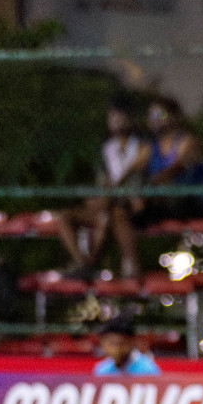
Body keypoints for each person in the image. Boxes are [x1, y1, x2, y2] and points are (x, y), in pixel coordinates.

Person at [56, 101, 149, 280]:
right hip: (110, 203)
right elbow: (104, 181)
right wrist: (100, 196)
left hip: (133, 204)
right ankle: (82, 262)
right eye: (112, 116)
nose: (115, 121)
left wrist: (109, 193)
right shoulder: (107, 148)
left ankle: (127, 266)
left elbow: (133, 175)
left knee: (109, 216)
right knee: (65, 216)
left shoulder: (142, 146)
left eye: (119, 116)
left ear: (130, 119)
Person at [136, 98, 203, 229]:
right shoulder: (150, 148)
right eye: (151, 115)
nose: (155, 119)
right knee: (120, 211)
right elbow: (131, 170)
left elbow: (177, 167)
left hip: (189, 203)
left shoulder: (187, 142)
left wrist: (152, 185)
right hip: (160, 203)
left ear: (174, 116)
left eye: (160, 114)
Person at [93, 316, 161, 376]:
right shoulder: (102, 370)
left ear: (131, 342)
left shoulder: (148, 370)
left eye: (120, 343)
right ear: (103, 344)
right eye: (111, 343)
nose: (116, 349)